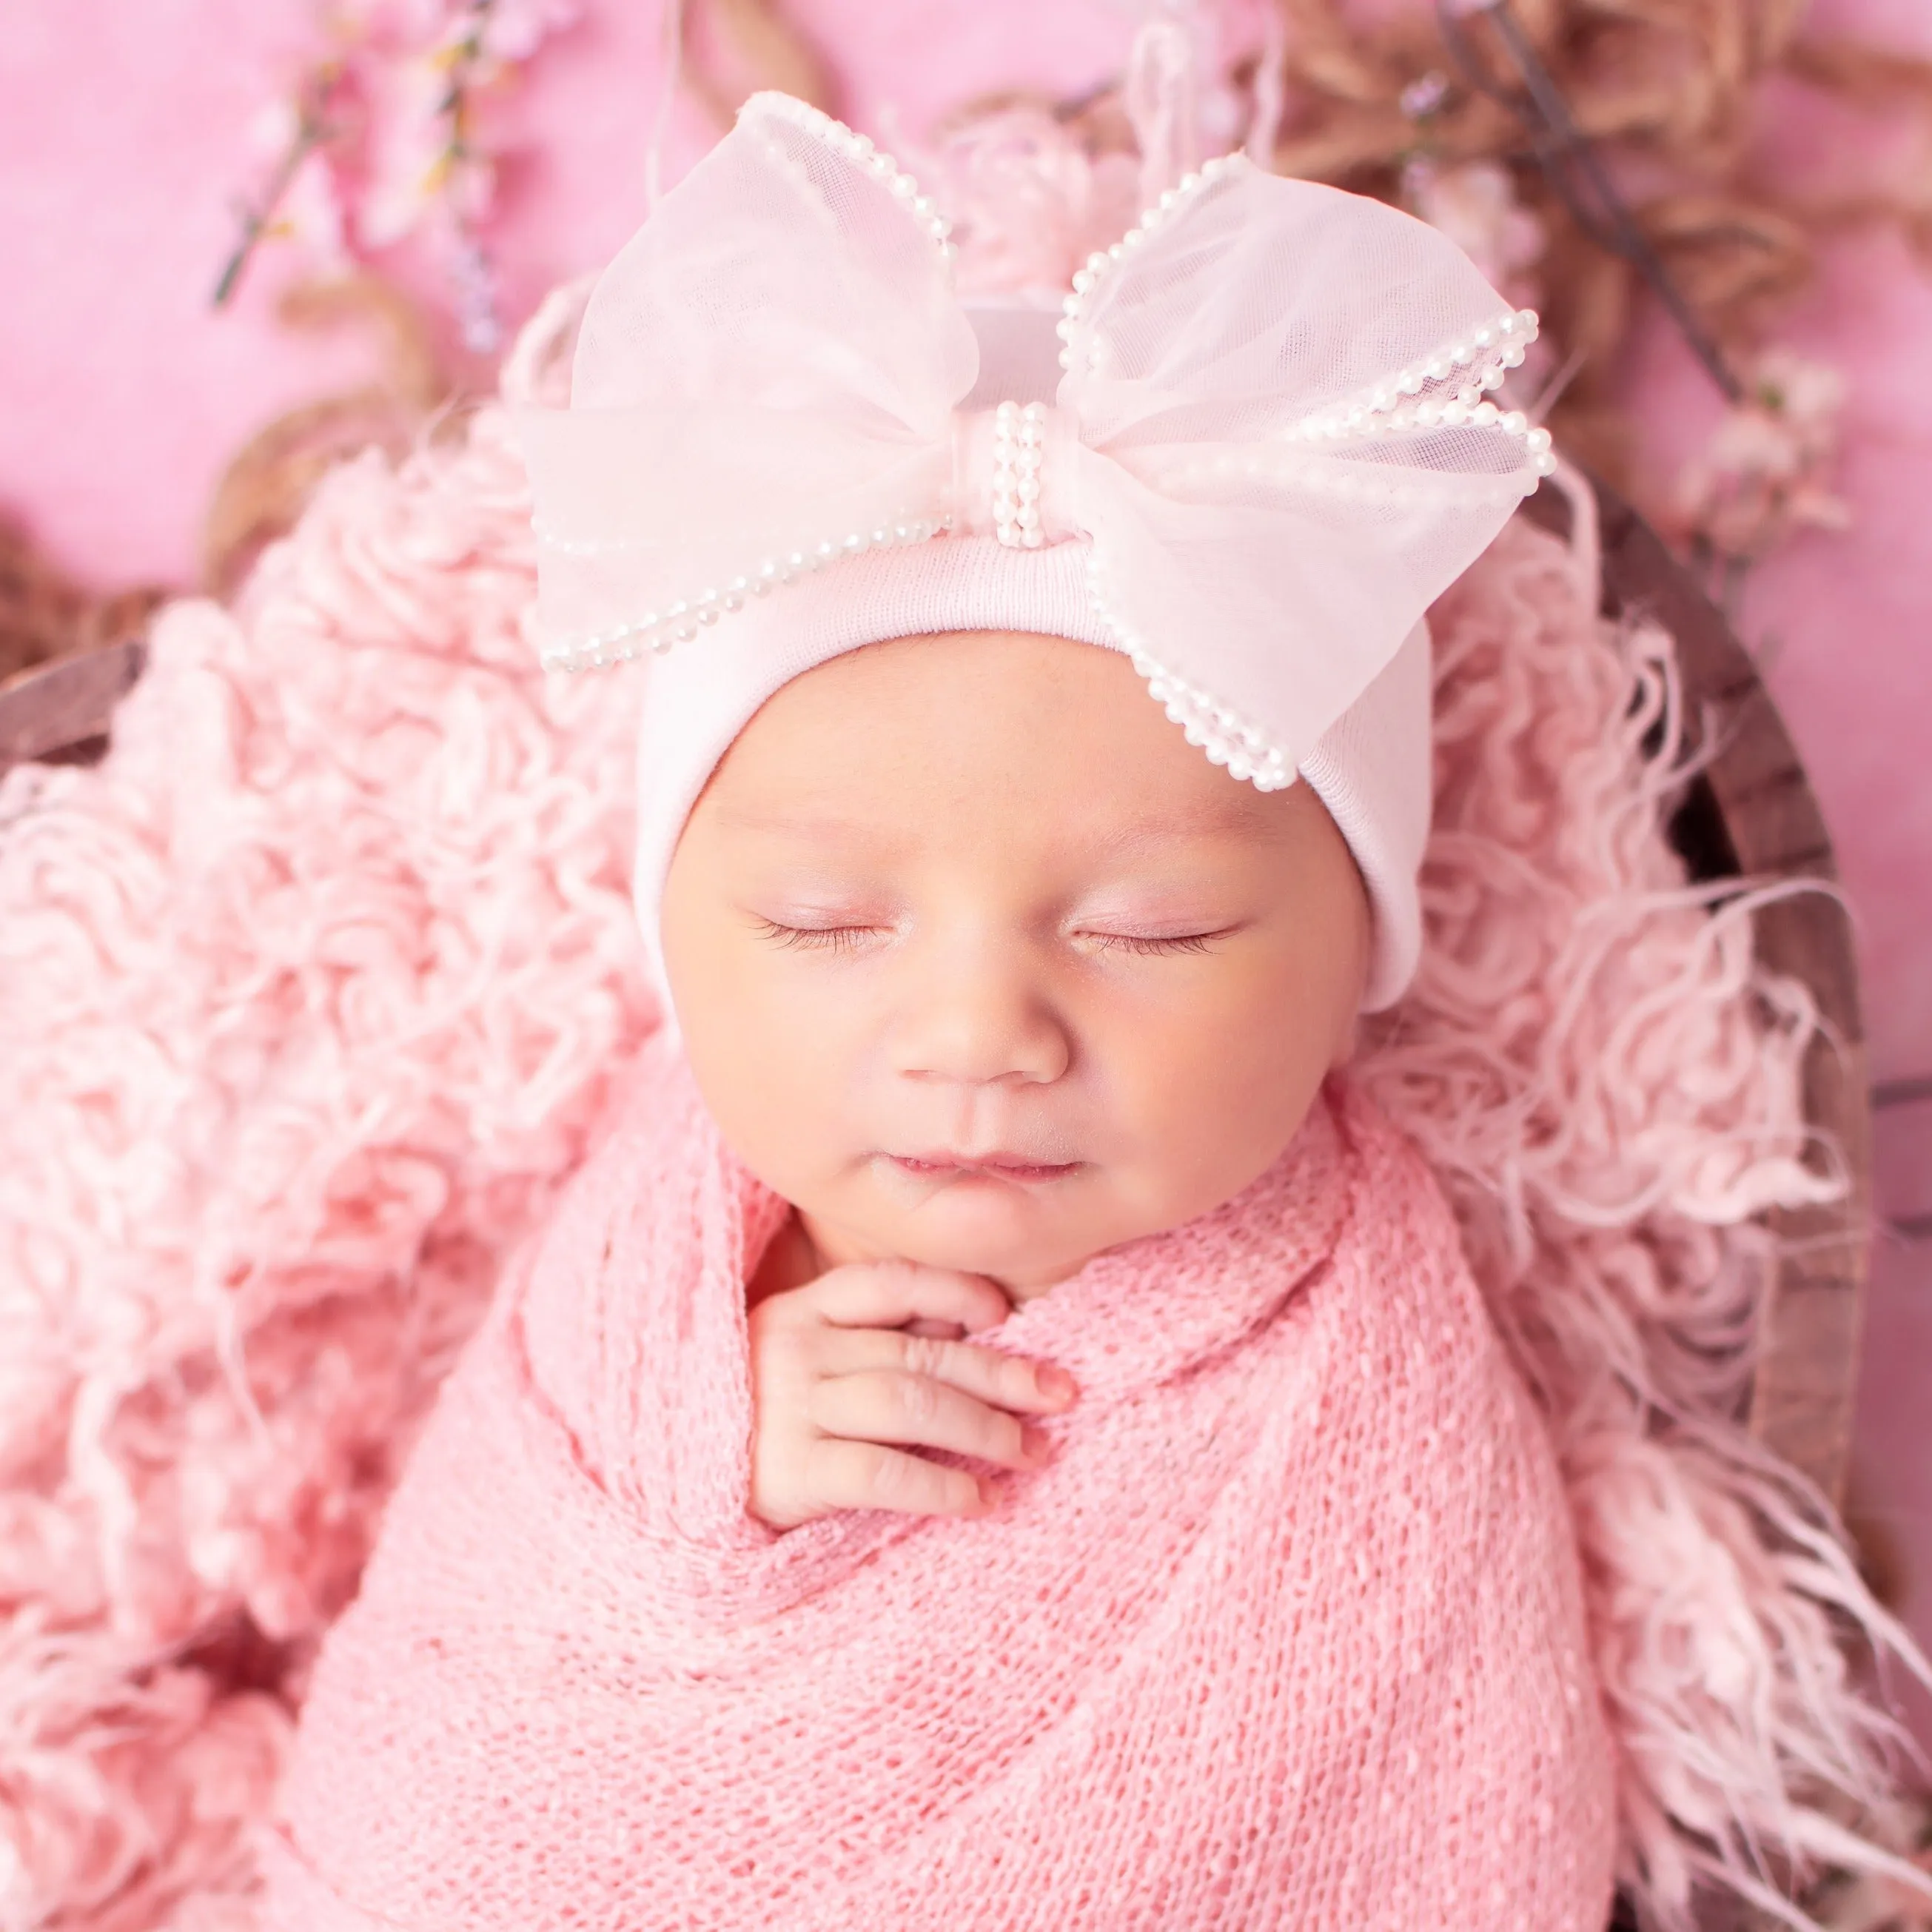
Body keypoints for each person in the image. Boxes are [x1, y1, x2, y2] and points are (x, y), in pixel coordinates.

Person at [256, 90, 1618, 1931]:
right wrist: (702, 1454)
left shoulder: (1362, 1377)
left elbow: (1454, 1795)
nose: (980, 1033)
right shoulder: (652, 1266)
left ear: (1350, 955)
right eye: (825, 925)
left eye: (1158, 929)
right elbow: (485, 1639)